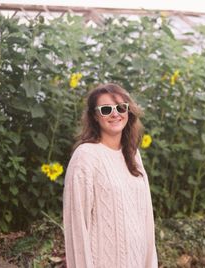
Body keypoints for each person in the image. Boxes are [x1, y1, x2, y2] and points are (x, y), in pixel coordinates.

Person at [63, 83, 158, 268]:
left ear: (128, 112)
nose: (115, 114)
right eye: (106, 109)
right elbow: (77, 228)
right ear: (95, 117)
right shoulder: (85, 157)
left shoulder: (133, 154)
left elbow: (146, 219)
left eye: (121, 107)